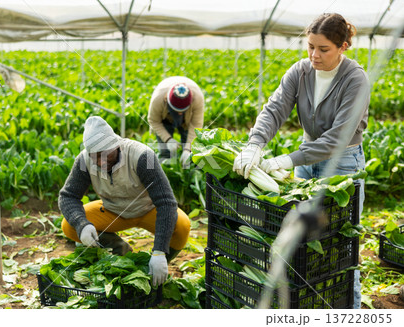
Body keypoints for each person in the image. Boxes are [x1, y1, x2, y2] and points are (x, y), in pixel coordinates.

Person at [233, 13, 369, 309]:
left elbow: (337, 139)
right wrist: (255, 144)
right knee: (304, 238)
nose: (314, 55)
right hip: (308, 160)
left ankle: (352, 309)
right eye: (310, 47)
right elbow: (274, 110)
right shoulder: (301, 71)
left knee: (342, 245)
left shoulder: (355, 80)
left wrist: (285, 160)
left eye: (323, 49)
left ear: (343, 46)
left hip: (343, 164)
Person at [58, 116, 191, 286]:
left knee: (182, 227)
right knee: (69, 226)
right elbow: (68, 196)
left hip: (147, 209)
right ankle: (121, 250)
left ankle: (155, 266)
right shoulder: (83, 161)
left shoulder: (143, 156)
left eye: (106, 155)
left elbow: (166, 202)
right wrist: (82, 224)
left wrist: (160, 251)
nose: (101, 161)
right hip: (113, 210)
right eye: (95, 157)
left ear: (116, 145)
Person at [148, 76, 205, 168]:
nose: (179, 113)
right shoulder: (158, 99)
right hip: (166, 118)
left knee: (191, 152)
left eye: (182, 111)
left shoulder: (197, 98)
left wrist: (187, 149)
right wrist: (168, 139)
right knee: (165, 151)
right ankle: (165, 172)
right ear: (167, 100)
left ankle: (187, 171)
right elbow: (153, 121)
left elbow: (196, 125)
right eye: (176, 110)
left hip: (187, 120)